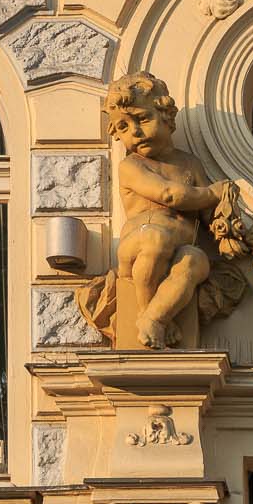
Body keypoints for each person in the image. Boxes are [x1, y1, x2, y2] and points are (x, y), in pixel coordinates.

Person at [105, 71, 224, 348]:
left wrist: (227, 211)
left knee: (196, 260)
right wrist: (212, 193)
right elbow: (169, 194)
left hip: (179, 248)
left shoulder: (190, 164)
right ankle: (145, 310)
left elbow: (209, 216)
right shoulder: (131, 166)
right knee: (156, 238)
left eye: (143, 119)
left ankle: (156, 318)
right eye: (123, 127)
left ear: (167, 117)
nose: (134, 132)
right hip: (139, 246)